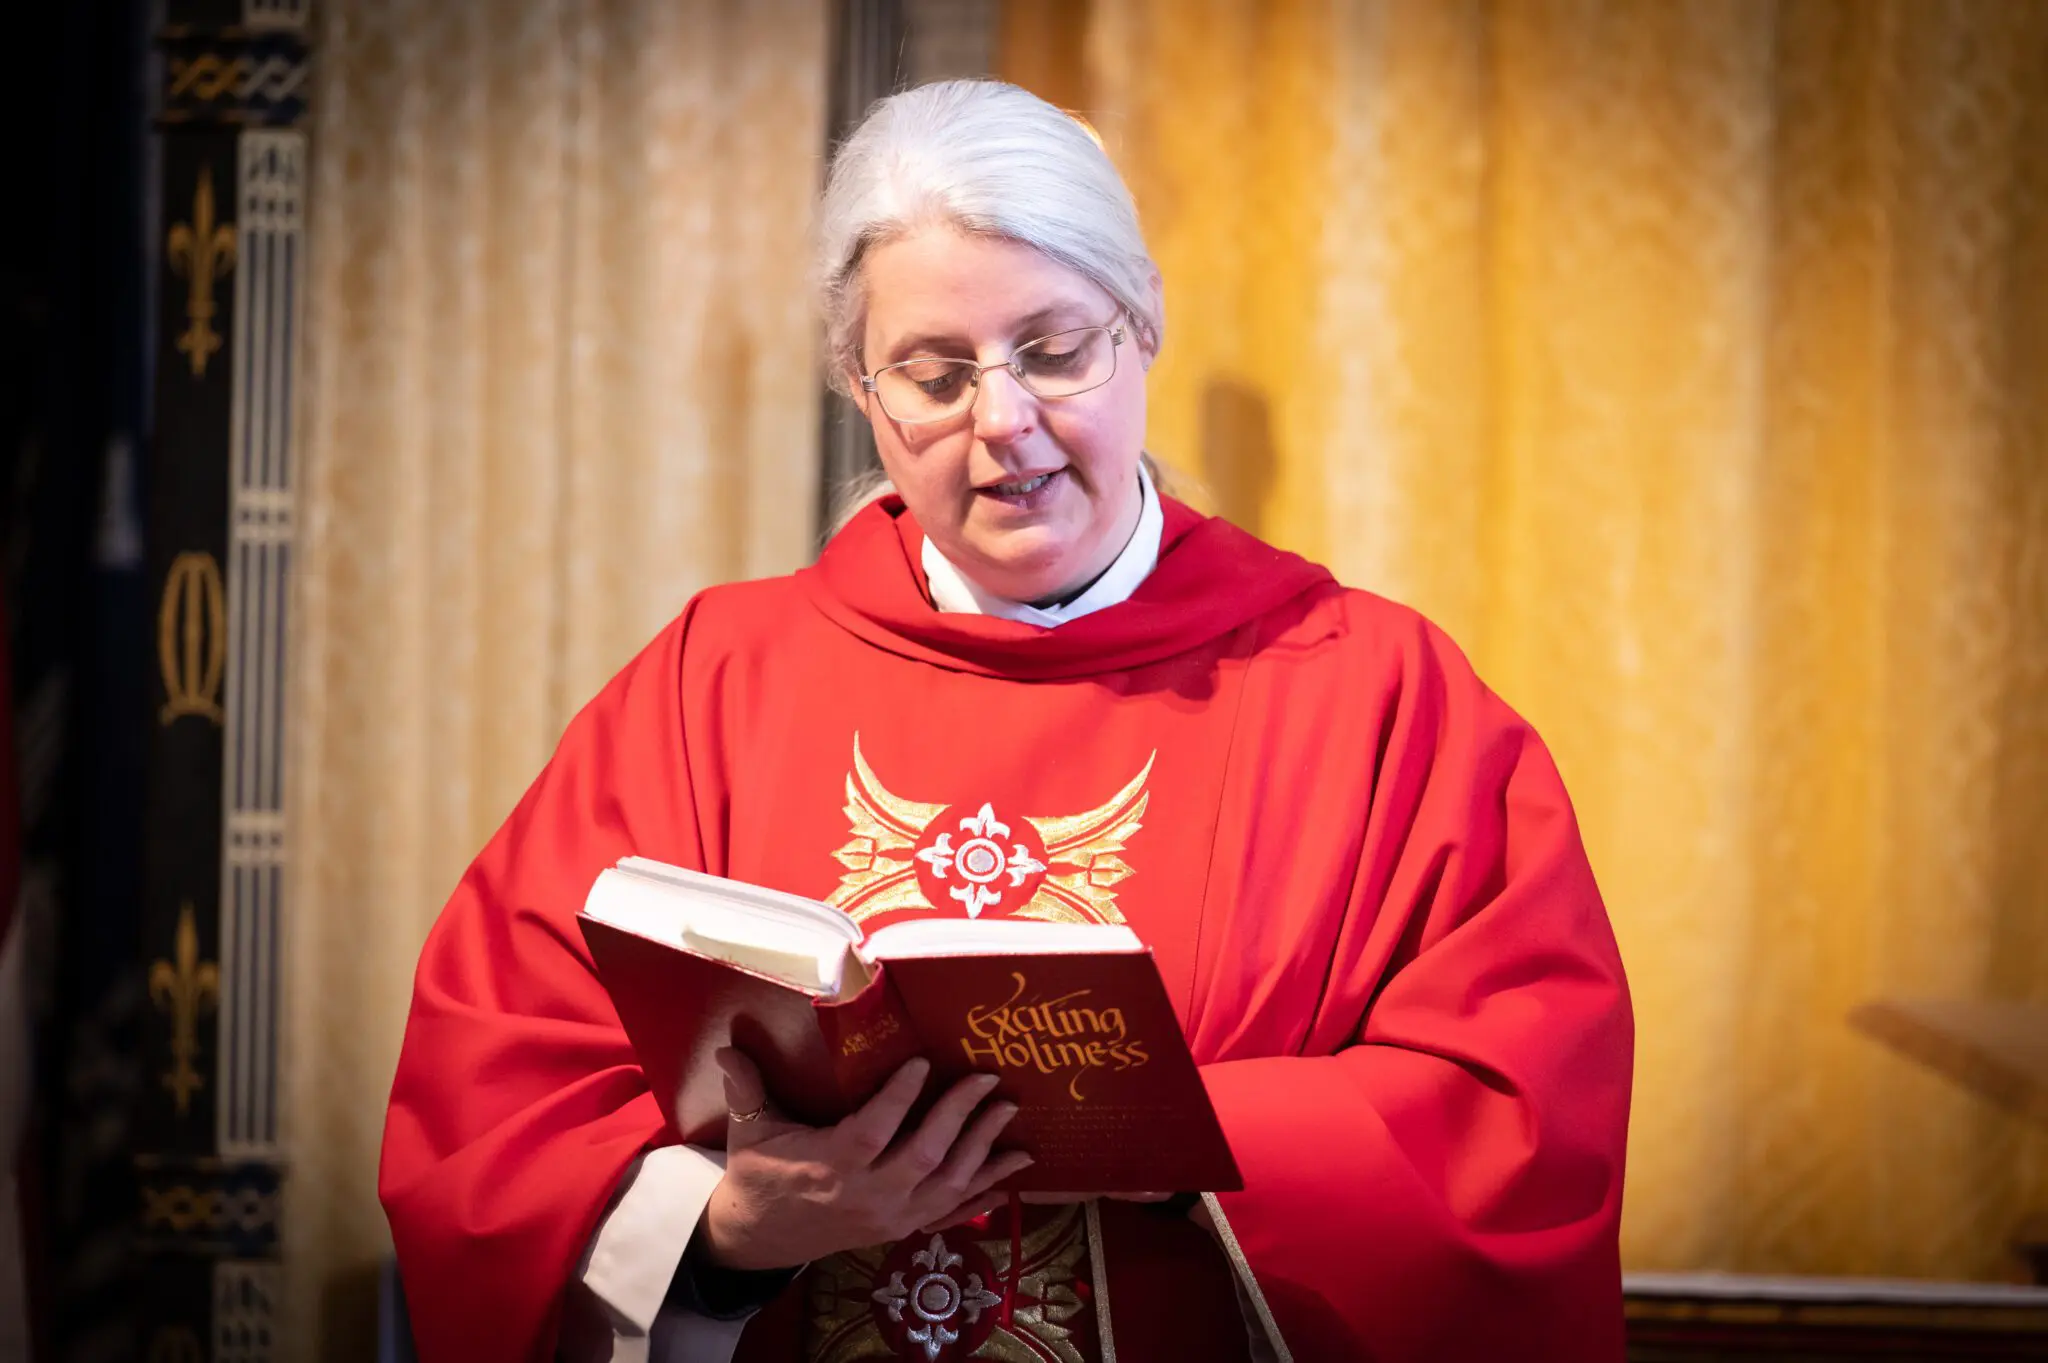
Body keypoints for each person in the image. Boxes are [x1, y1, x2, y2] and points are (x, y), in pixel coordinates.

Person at [379, 79, 1633, 1363]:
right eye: (931, 372)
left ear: (1140, 325)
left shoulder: (1375, 696)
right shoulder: (713, 683)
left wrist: (1199, 1136)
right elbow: (492, 1110)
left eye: (1051, 349)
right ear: (860, 389)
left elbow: (1517, 1112)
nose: (1002, 421)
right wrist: (728, 1227)